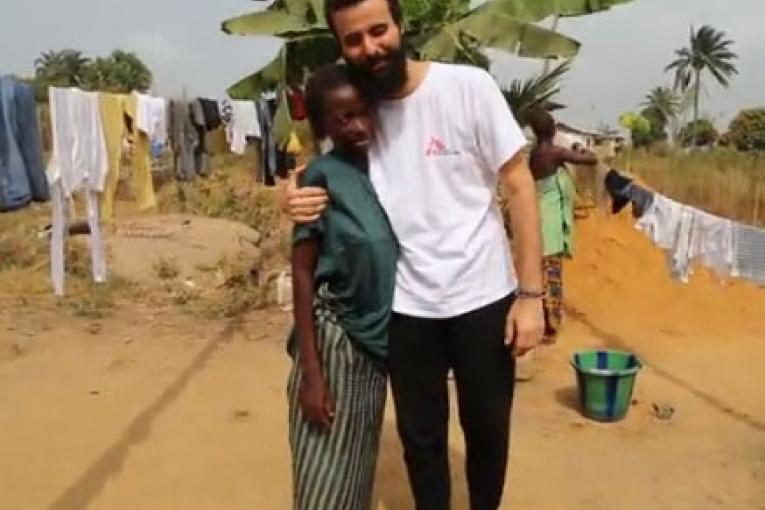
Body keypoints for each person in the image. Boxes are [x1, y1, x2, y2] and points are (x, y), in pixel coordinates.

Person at [285, 0, 545, 507]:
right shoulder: (361, 107)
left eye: (378, 30)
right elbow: (325, 172)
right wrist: (289, 194)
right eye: (353, 39)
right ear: (342, 47)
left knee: (488, 434)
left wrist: (531, 295)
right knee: (421, 444)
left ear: (400, 27)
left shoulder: (467, 87)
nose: (370, 47)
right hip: (406, 309)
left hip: (483, 296)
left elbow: (518, 184)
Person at [288, 63, 397, 510]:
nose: (356, 126)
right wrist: (312, 375)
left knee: (355, 481)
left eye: (362, 112)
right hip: (334, 347)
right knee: (324, 485)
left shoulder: (392, 170)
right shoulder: (321, 177)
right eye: (341, 119)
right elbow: (301, 274)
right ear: (323, 127)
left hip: (376, 352)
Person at [528, 110, 597, 344]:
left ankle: (542, 320)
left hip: (538, 218)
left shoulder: (535, 154)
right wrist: (579, 148)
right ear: (552, 131)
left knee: (539, 275)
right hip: (551, 225)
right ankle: (551, 325)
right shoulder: (555, 152)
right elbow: (590, 160)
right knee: (552, 275)